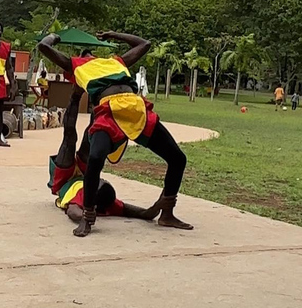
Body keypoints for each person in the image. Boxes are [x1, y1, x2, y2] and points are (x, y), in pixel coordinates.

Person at [38, 30, 193, 237]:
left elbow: (145, 43)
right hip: (109, 112)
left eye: (90, 53)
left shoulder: (116, 62)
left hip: (137, 109)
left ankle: (167, 214)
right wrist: (54, 36)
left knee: (178, 158)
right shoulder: (76, 65)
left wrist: (113, 35)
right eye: (85, 54)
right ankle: (88, 216)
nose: (89, 54)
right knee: (95, 159)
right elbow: (44, 47)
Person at [49, 89, 153, 222]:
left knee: (69, 138)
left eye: (100, 182)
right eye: (102, 181)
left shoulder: (83, 198)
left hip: (64, 182)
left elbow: (72, 211)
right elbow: (132, 210)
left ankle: (75, 95)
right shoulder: (109, 201)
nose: (101, 179)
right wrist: (153, 210)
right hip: (84, 174)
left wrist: (85, 216)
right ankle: (97, 98)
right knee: (90, 133)